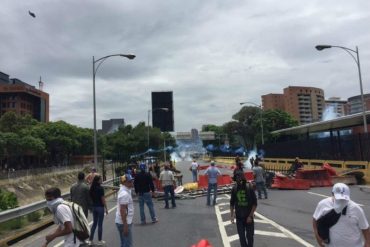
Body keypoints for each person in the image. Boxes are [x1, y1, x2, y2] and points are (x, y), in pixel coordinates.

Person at [313, 183, 370, 247]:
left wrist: (368, 243)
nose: (341, 200)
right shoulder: (323, 204)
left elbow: (365, 227)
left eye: (344, 198)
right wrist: (318, 237)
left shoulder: (356, 209)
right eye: (339, 198)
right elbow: (315, 220)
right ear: (333, 194)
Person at [230, 175, 257, 247]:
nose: (239, 183)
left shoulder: (249, 188)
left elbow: (255, 203)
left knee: (250, 237)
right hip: (239, 218)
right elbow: (232, 203)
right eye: (237, 181)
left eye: (241, 181)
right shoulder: (234, 189)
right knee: (241, 237)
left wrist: (250, 216)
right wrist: (232, 215)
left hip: (248, 217)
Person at [116, 174, 135, 247]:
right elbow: (122, 210)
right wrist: (125, 225)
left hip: (121, 221)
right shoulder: (124, 194)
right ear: (124, 183)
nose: (131, 183)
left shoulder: (124, 190)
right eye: (129, 181)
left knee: (124, 243)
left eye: (131, 181)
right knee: (128, 244)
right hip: (123, 222)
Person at [89, 175, 108, 245]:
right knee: (100, 224)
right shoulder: (100, 188)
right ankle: (99, 241)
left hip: (94, 207)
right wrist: (106, 208)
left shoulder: (92, 188)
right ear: (98, 180)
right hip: (100, 207)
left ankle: (90, 240)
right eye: (101, 179)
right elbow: (103, 199)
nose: (102, 180)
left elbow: (90, 198)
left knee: (94, 224)